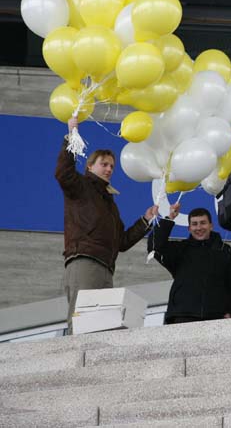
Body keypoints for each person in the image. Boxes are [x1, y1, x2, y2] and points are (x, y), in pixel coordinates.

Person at [55, 117, 158, 334]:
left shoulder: (109, 203)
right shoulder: (81, 186)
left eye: (111, 166)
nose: (109, 169)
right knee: (82, 320)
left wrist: (145, 220)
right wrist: (72, 136)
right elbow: (63, 172)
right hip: (84, 261)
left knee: (100, 324)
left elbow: (121, 242)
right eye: (104, 164)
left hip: (106, 268)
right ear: (90, 166)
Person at [147, 206, 231, 324]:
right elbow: (154, 247)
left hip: (216, 317)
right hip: (181, 316)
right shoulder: (180, 249)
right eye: (194, 224)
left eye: (203, 223)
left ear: (211, 225)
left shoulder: (225, 251)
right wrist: (169, 218)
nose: (199, 227)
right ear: (189, 228)